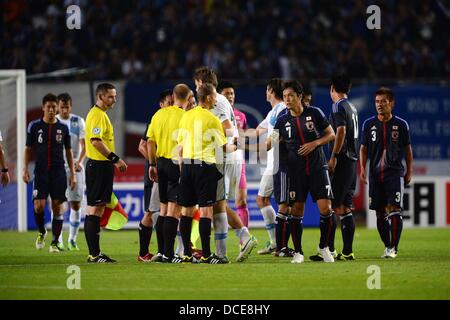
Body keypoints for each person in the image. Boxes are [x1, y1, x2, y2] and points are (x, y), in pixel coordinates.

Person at [194, 67, 256, 263]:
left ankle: (239, 240)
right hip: (230, 156)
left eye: (196, 85)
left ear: (202, 84)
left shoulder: (216, 102)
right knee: (217, 204)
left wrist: (217, 143)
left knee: (217, 205)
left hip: (224, 157)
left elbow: (228, 129)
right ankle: (233, 245)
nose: (196, 89)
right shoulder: (219, 100)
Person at [272, 80, 336, 263]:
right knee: (297, 210)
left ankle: (324, 248)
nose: (287, 99)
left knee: (326, 208)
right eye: (284, 96)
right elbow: (270, 143)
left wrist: (314, 143)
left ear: (300, 96)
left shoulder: (314, 113)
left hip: (317, 167)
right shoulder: (282, 120)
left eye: (290, 95)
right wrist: (245, 144)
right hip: (296, 171)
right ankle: (298, 252)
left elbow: (331, 134)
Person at [177, 83, 236, 264]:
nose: (216, 100)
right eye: (215, 97)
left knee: (186, 212)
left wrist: (183, 170)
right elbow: (223, 147)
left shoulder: (185, 117)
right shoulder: (212, 120)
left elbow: (180, 147)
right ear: (209, 98)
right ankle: (207, 254)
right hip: (205, 167)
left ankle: (186, 252)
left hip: (187, 167)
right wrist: (236, 145)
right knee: (206, 211)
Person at [310, 74, 358, 261]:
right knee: (345, 207)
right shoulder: (352, 107)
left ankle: (327, 249)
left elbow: (341, 131)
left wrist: (334, 157)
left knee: (330, 206)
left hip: (343, 160)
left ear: (332, 89)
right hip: (352, 161)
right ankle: (347, 252)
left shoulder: (338, 106)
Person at [360, 87, 413, 259]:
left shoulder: (401, 124)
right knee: (379, 212)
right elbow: (363, 149)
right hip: (375, 174)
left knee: (395, 208)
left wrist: (409, 170)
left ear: (392, 103)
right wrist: (362, 168)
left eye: (383, 101)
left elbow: (408, 150)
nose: (379, 105)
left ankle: (393, 248)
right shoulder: (368, 124)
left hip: (394, 173)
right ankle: (387, 246)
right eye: (377, 102)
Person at [23, 93, 76, 252]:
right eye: (49, 107)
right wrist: (25, 169)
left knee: (57, 206)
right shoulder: (34, 126)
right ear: (43, 108)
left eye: (54, 107)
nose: (52, 110)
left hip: (59, 171)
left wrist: (72, 174)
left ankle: (54, 242)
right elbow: (27, 149)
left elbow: (68, 152)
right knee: (39, 206)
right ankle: (41, 231)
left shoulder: (63, 128)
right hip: (40, 171)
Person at [147, 84, 192, 263]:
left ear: (173, 96)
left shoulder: (158, 115)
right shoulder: (185, 117)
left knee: (164, 210)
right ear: (188, 97)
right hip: (176, 164)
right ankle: (168, 254)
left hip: (161, 163)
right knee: (173, 211)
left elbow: (150, 142)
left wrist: (152, 164)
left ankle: (162, 252)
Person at [84, 83, 128, 263]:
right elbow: (95, 141)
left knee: (99, 207)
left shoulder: (100, 115)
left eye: (115, 96)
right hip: (98, 166)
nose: (114, 100)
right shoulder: (97, 115)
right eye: (110, 96)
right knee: (95, 208)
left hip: (101, 166)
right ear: (100, 97)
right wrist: (115, 159)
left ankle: (96, 253)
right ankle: (94, 254)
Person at [136, 89, 173, 262]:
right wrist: (155, 163)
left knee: (157, 211)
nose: (172, 105)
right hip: (155, 172)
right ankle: (146, 252)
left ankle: (155, 251)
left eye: (173, 102)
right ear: (161, 104)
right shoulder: (157, 118)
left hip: (162, 170)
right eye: (169, 102)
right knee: (153, 212)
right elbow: (142, 145)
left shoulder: (170, 119)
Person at [254, 78, 287, 255]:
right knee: (266, 200)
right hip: (273, 163)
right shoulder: (273, 112)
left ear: (271, 91)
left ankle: (279, 243)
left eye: (267, 90)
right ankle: (277, 243)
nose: (265, 93)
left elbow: (275, 137)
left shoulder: (281, 109)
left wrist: (258, 146)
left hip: (279, 163)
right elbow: (258, 130)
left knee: (270, 201)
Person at [55, 93, 86, 251]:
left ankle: (72, 239)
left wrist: (79, 162)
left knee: (75, 204)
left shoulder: (77, 121)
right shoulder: (53, 122)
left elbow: (84, 145)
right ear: (57, 107)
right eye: (62, 107)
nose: (65, 110)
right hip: (58, 167)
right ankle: (58, 240)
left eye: (67, 107)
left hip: (76, 166)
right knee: (58, 203)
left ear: (70, 106)